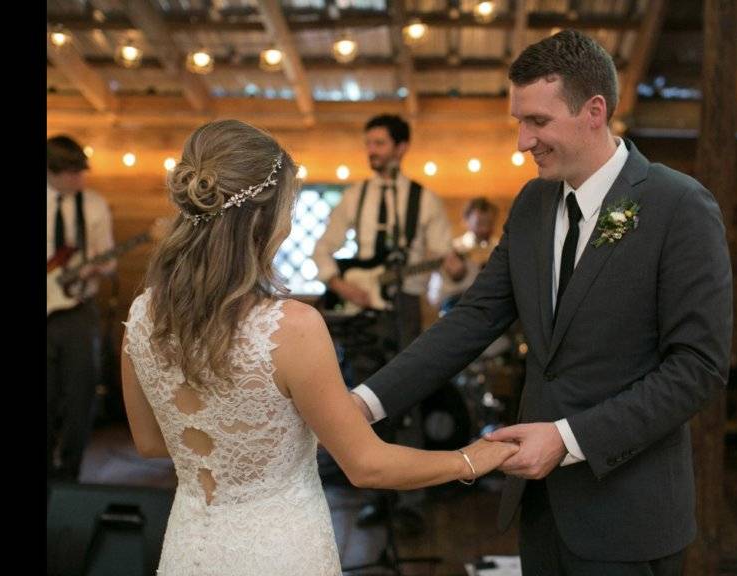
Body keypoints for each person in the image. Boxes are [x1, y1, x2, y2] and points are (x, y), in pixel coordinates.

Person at [352, 30, 733, 575]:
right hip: (539, 506)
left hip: (629, 513)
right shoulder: (533, 203)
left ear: (594, 111)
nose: (522, 142)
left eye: (537, 122)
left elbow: (698, 368)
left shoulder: (680, 206)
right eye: (518, 122)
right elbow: (475, 318)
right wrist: (363, 404)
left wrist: (568, 438)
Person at [120, 119, 517, 575]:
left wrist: (241, 442)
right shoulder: (293, 327)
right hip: (280, 548)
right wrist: (473, 458)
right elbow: (367, 466)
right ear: (263, 217)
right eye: (290, 203)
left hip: (190, 545)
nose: (290, 219)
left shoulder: (142, 317)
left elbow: (150, 442)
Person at [313, 114, 465, 532]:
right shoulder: (354, 197)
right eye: (369, 143)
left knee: (410, 401)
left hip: (407, 308)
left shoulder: (425, 199)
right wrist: (342, 286)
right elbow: (322, 250)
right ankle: (374, 499)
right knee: (365, 405)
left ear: (401, 148)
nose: (372, 151)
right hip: (362, 315)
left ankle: (413, 501)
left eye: (379, 143)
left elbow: (447, 263)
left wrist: (452, 267)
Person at [47, 134, 116, 485]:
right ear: (51, 172)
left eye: (81, 172)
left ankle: (69, 475)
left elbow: (109, 260)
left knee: (81, 393)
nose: (79, 180)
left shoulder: (94, 205)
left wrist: (96, 268)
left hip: (79, 310)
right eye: (72, 173)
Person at [427, 196, 500, 316]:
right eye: (480, 223)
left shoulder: (499, 249)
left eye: (489, 223)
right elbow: (434, 296)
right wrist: (456, 277)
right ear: (466, 220)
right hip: (458, 310)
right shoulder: (452, 251)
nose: (485, 229)